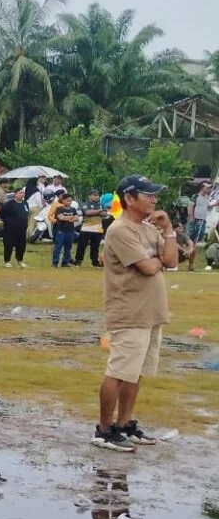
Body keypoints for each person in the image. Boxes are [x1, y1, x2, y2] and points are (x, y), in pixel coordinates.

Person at [93, 176, 177, 451]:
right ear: (129, 198)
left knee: (135, 372)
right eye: (148, 195)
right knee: (119, 371)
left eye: (155, 195)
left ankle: (124, 423)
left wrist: (168, 230)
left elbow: (172, 260)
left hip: (151, 311)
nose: (154, 199)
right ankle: (104, 430)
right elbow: (150, 268)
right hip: (129, 311)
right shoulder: (120, 230)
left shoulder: (148, 228)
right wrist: (157, 259)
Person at [0, 188, 30, 266]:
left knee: (21, 245)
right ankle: (7, 261)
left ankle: (20, 260)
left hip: (22, 229)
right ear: (15, 194)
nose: (22, 194)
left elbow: (27, 213)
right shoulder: (9, 204)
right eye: (20, 193)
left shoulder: (25, 203)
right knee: (8, 245)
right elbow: (2, 213)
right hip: (10, 229)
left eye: (23, 193)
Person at [51, 191, 80, 268]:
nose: (69, 202)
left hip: (70, 231)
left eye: (71, 201)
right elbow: (61, 218)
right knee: (58, 248)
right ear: (63, 200)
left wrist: (67, 218)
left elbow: (76, 218)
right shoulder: (59, 209)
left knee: (68, 248)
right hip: (61, 231)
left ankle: (65, 262)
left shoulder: (73, 209)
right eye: (68, 200)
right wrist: (70, 218)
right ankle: (55, 263)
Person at [76, 196, 107, 267]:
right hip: (86, 228)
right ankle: (78, 261)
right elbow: (87, 213)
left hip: (98, 229)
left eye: (97, 195)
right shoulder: (85, 204)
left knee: (95, 247)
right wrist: (99, 211)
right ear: (90, 196)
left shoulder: (100, 204)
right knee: (82, 246)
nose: (97, 197)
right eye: (95, 195)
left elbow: (105, 213)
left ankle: (95, 261)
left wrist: (94, 212)